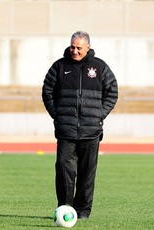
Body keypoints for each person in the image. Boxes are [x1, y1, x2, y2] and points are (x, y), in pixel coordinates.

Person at [42, 31, 118, 219]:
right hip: (66, 130)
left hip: (91, 131)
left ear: (88, 48)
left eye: (79, 48)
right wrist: (57, 115)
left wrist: (99, 115)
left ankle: (83, 211)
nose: (74, 51)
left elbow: (112, 93)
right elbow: (47, 92)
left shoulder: (100, 68)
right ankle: (65, 208)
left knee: (86, 174)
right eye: (72, 47)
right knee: (64, 171)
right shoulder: (59, 67)